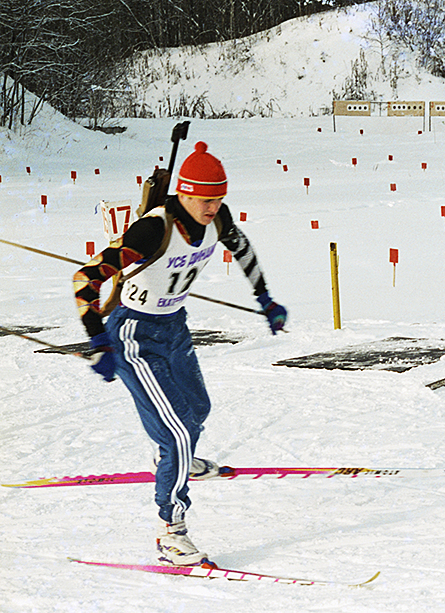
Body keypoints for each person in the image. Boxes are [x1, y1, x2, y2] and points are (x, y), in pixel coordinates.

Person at [74, 141, 287, 566]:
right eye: (207, 200)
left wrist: (264, 297)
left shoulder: (216, 218)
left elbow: (242, 250)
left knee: (197, 410)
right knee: (175, 433)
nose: (214, 208)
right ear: (185, 194)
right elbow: (85, 280)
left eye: (219, 199)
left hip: (174, 326)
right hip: (134, 334)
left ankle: (176, 459)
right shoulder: (153, 230)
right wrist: (98, 341)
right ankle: (170, 531)